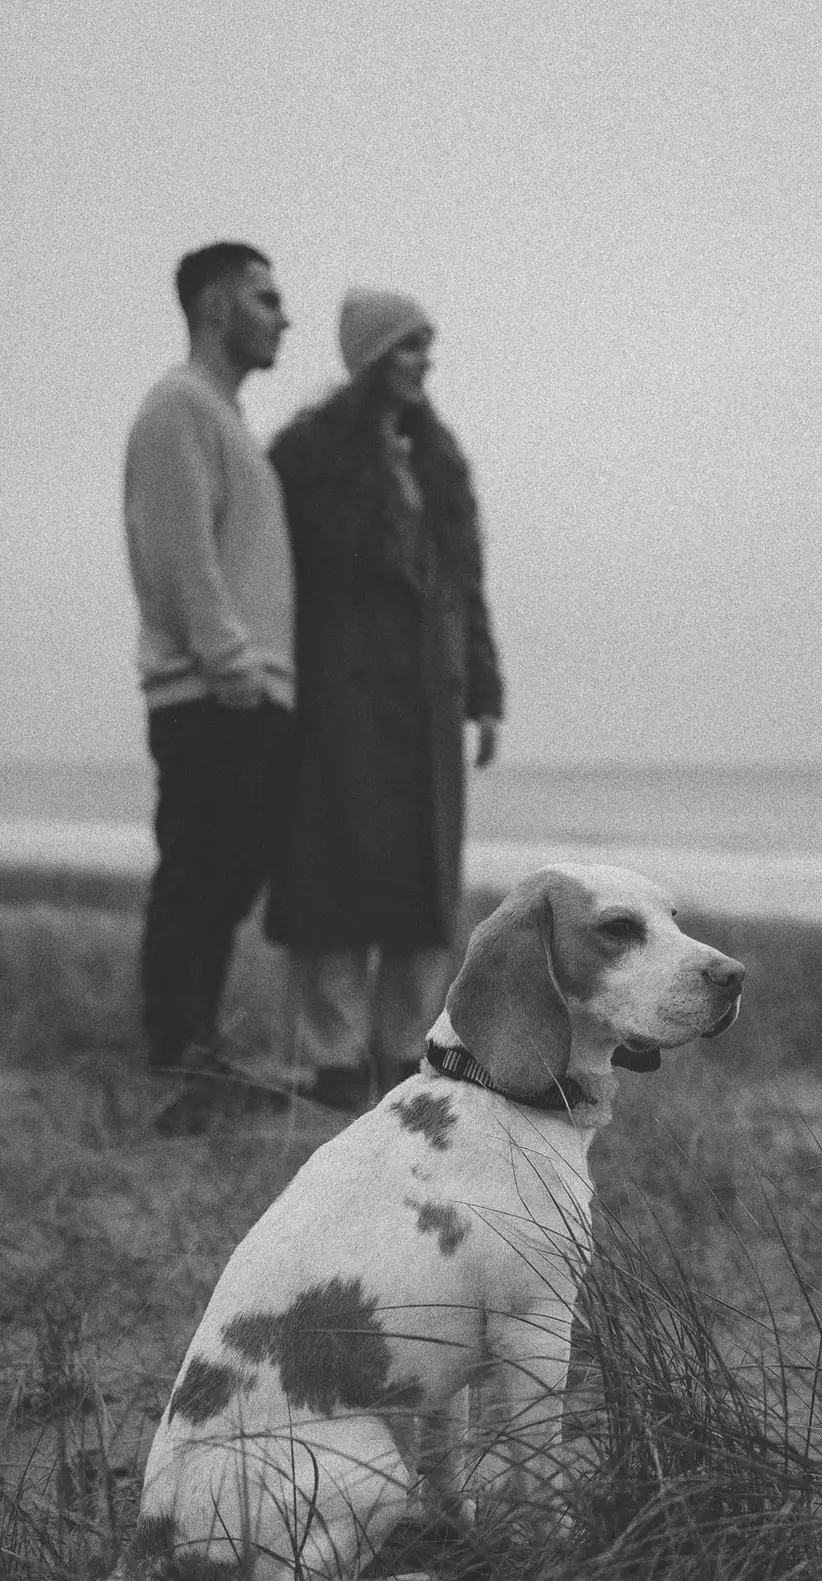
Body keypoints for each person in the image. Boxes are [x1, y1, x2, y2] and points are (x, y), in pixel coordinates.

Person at [266, 287, 504, 1110]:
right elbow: (278, 582)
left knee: (421, 888)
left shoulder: (439, 456)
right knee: (333, 876)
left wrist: (485, 690)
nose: (424, 361)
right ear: (371, 358)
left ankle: (406, 1056)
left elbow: (466, 585)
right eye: (407, 346)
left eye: (427, 346)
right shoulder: (307, 454)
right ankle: (333, 1060)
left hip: (429, 705)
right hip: (343, 695)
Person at [124, 241, 297, 1099]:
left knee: (226, 884)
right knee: (197, 879)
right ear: (218, 305)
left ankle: (195, 1052)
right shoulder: (179, 407)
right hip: (212, 695)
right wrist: (233, 671)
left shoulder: (226, 420)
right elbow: (181, 555)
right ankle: (175, 1061)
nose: (284, 316)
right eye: (266, 298)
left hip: (244, 693)